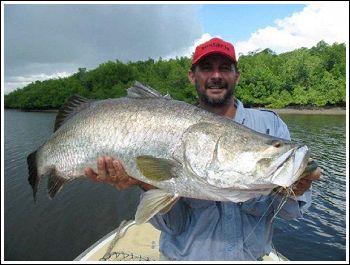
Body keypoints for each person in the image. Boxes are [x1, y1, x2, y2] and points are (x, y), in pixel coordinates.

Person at [84, 37, 321, 261]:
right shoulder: (169, 123)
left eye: (225, 68)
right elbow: (172, 226)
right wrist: (142, 181)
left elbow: (291, 213)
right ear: (192, 76)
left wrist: (294, 190)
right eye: (207, 68)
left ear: (237, 76)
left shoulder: (271, 126)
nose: (216, 75)